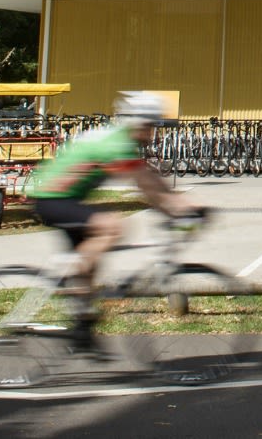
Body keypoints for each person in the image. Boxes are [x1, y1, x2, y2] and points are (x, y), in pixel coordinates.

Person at [27, 91, 195, 354]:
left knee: (92, 260)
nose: (154, 133)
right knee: (113, 227)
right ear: (140, 124)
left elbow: (149, 176)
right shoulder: (116, 144)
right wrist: (182, 208)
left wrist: (180, 204)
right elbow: (147, 186)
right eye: (152, 126)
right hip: (51, 198)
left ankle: (82, 328)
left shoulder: (121, 140)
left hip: (64, 198)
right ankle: (71, 277)